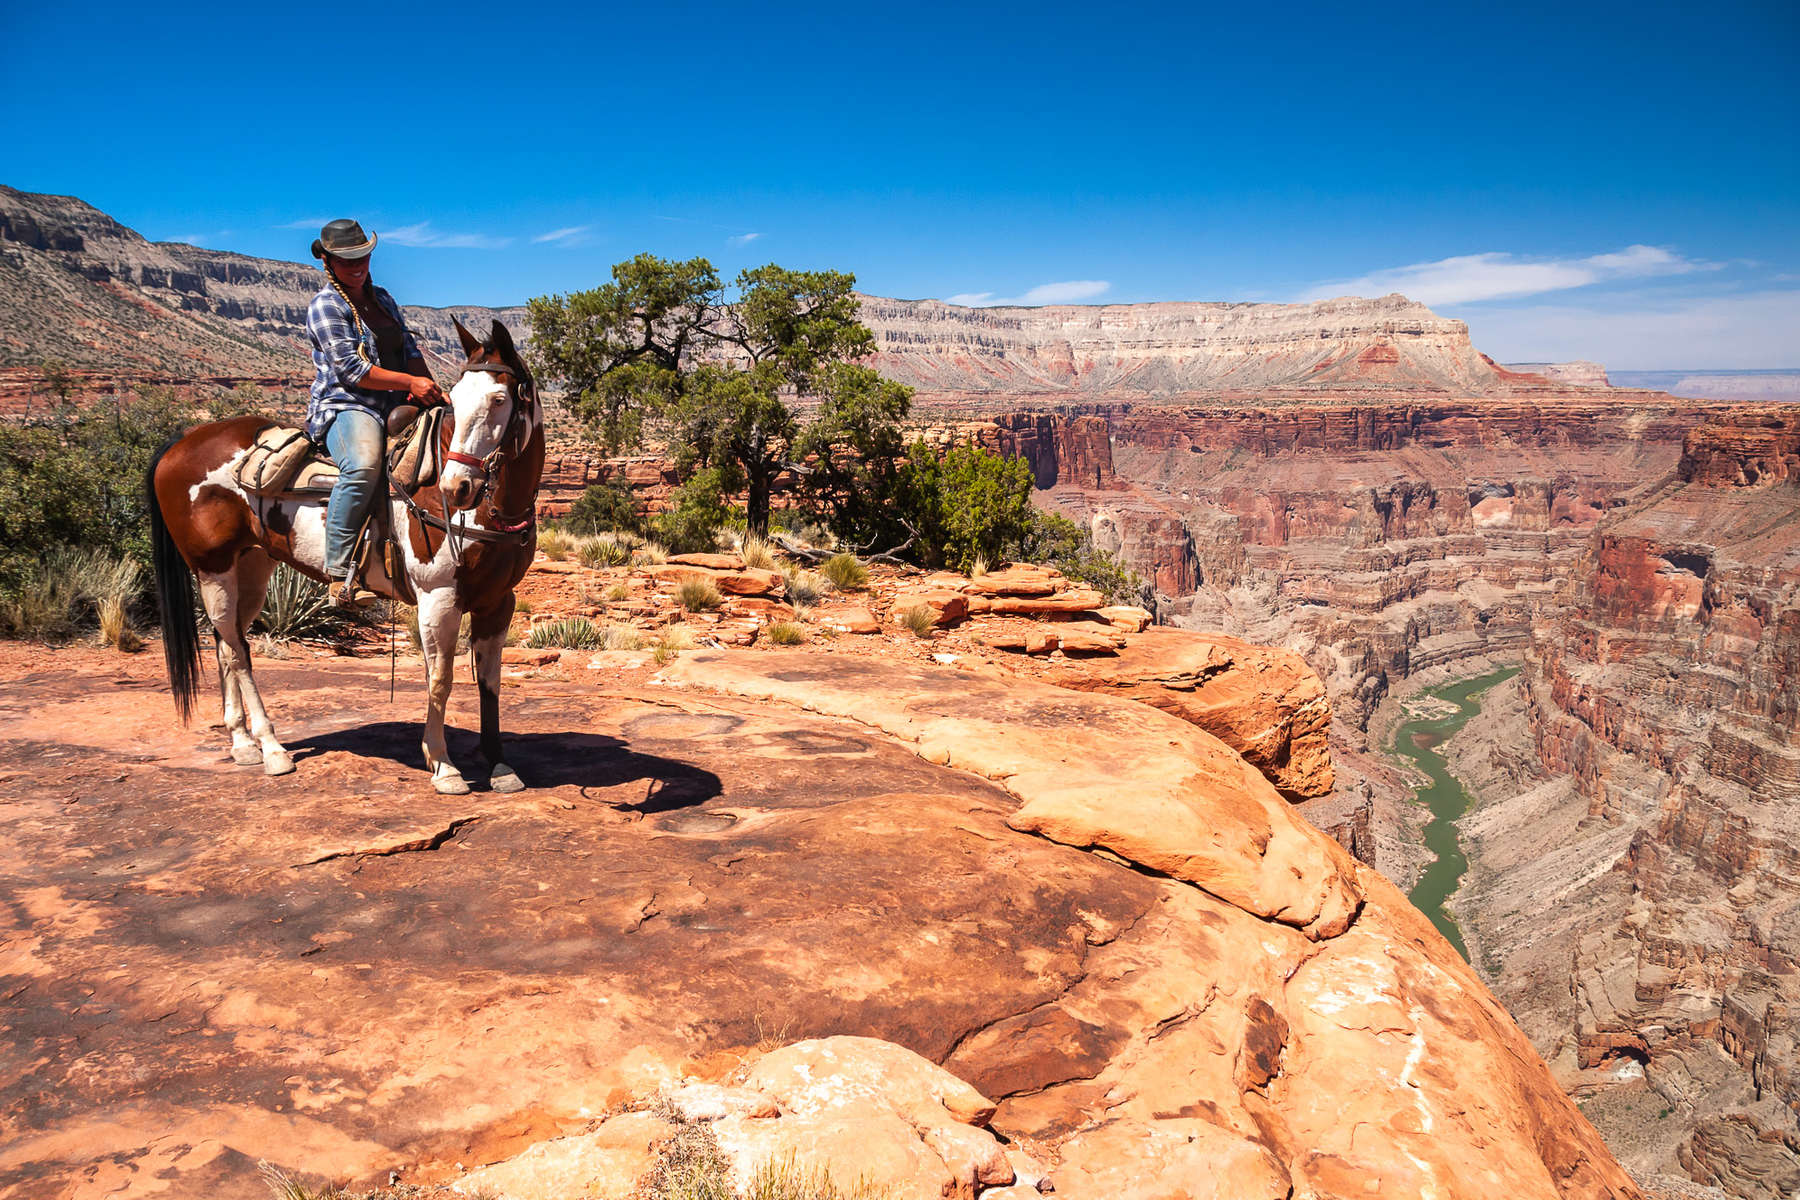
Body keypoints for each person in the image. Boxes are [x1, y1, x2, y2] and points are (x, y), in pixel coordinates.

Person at [303, 219, 445, 607]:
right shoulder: (326, 305)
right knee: (364, 465)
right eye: (346, 260)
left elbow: (411, 353)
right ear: (328, 262)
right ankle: (338, 573)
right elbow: (352, 369)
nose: (357, 265)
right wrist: (410, 385)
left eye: (362, 256)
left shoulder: (382, 298)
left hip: (396, 402)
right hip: (349, 405)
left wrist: (433, 392)